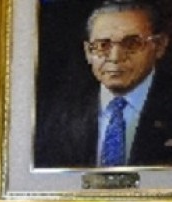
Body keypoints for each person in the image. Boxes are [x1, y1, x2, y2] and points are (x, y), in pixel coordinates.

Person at [34, 0, 172, 168]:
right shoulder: (58, 115)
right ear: (88, 52)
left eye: (132, 44)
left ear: (159, 46)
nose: (115, 57)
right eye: (102, 45)